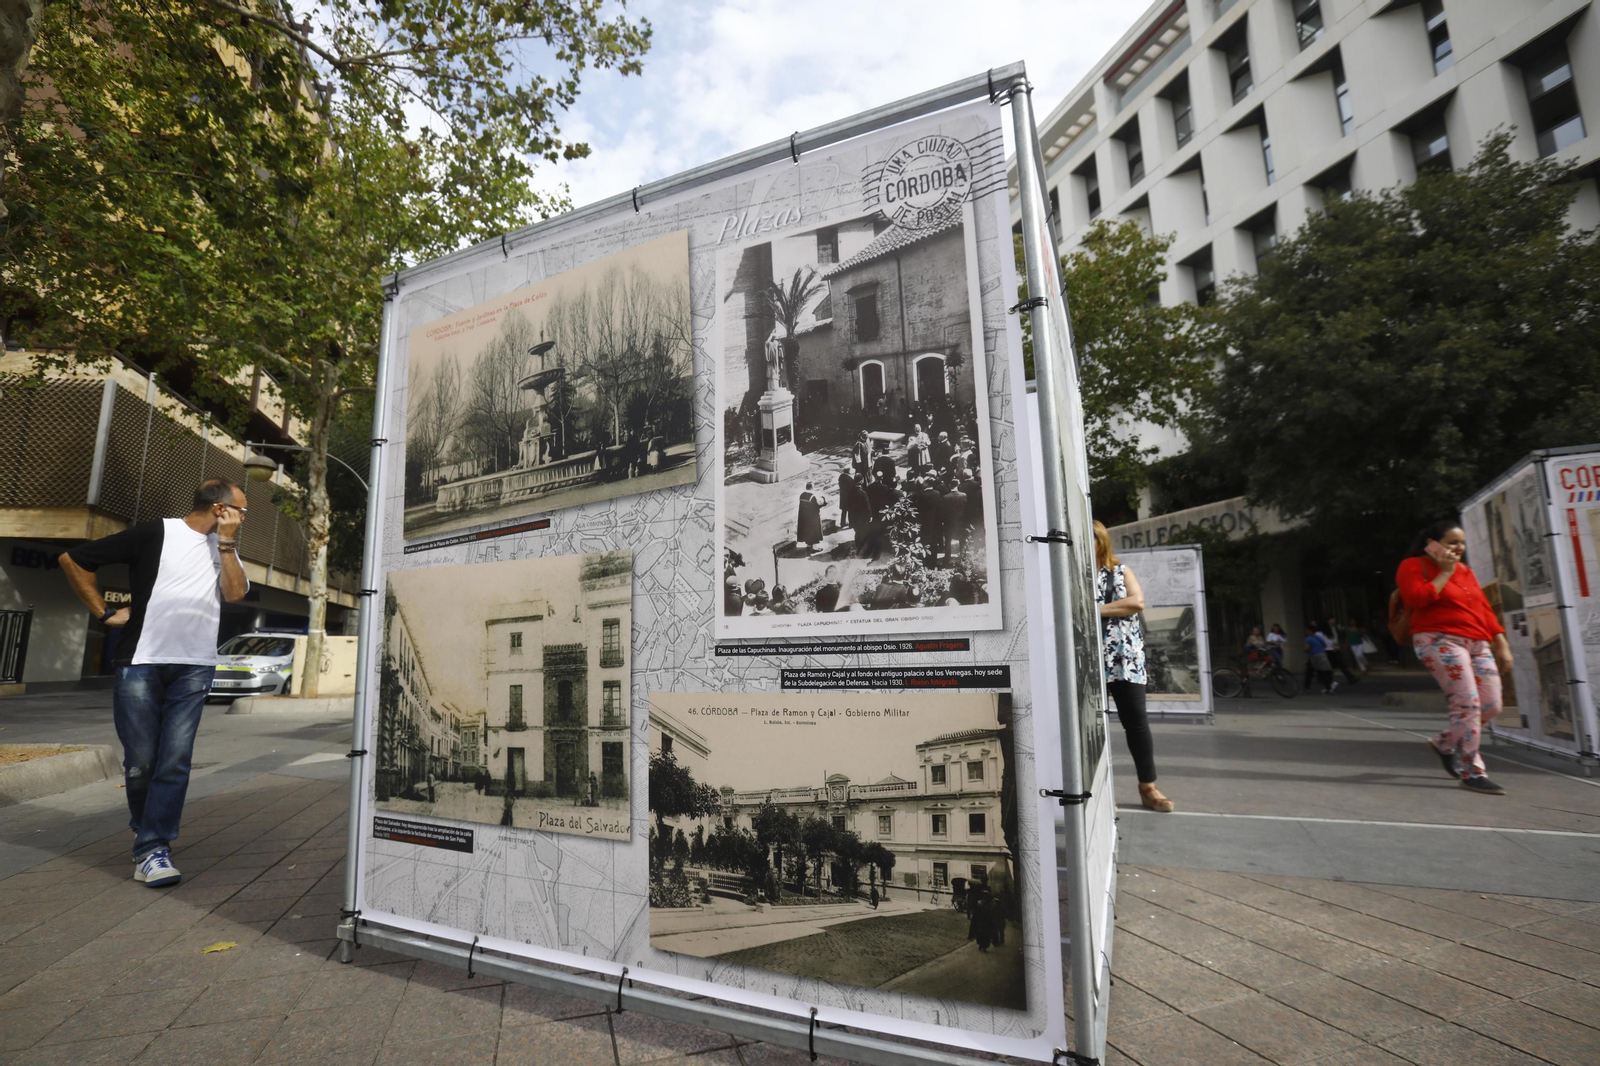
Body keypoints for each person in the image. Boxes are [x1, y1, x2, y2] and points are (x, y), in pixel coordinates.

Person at [58, 479, 251, 888]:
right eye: (240, 511)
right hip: (142, 662)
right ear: (220, 508)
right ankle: (146, 829)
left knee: (175, 760)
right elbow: (73, 559)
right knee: (141, 761)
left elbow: (234, 595)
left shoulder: (225, 547)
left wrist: (229, 545)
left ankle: (152, 849)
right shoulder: (156, 532)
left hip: (195, 666)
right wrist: (104, 612)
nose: (242, 519)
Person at [1397, 519, 1514, 795]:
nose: (1459, 547)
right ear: (1431, 544)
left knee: (1492, 705)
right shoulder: (1413, 566)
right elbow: (1416, 599)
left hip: (1477, 642)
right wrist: (1445, 572)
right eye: (1452, 542)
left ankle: (1444, 743)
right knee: (1467, 705)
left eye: (1462, 543)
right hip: (1438, 640)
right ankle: (1472, 771)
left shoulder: (1466, 570)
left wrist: (1502, 643)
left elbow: (1483, 609)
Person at [1093, 520, 1174, 813]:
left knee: (1136, 724)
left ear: (1100, 542)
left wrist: (1093, 609)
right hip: (1088, 661)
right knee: (1090, 727)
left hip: (1125, 661)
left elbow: (1137, 602)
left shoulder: (1120, 571)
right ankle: (1098, 790)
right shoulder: (1072, 575)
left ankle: (1148, 786)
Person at [1304, 626, 1337, 693]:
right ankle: (1329, 688)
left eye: (1307, 630)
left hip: (1314, 657)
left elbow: (1306, 648)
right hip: (1322, 655)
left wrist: (1305, 650)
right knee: (1322, 672)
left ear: (1310, 631)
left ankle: (1307, 688)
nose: (1306, 632)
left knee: (1309, 673)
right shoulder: (1319, 638)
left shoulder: (1308, 638)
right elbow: (1324, 645)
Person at [795, 481, 826, 551]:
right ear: (812, 487)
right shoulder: (812, 496)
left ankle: (808, 545)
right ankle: (814, 547)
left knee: (807, 531)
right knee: (814, 531)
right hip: (812, 518)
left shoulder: (802, 495)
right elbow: (816, 506)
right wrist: (823, 502)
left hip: (804, 518)